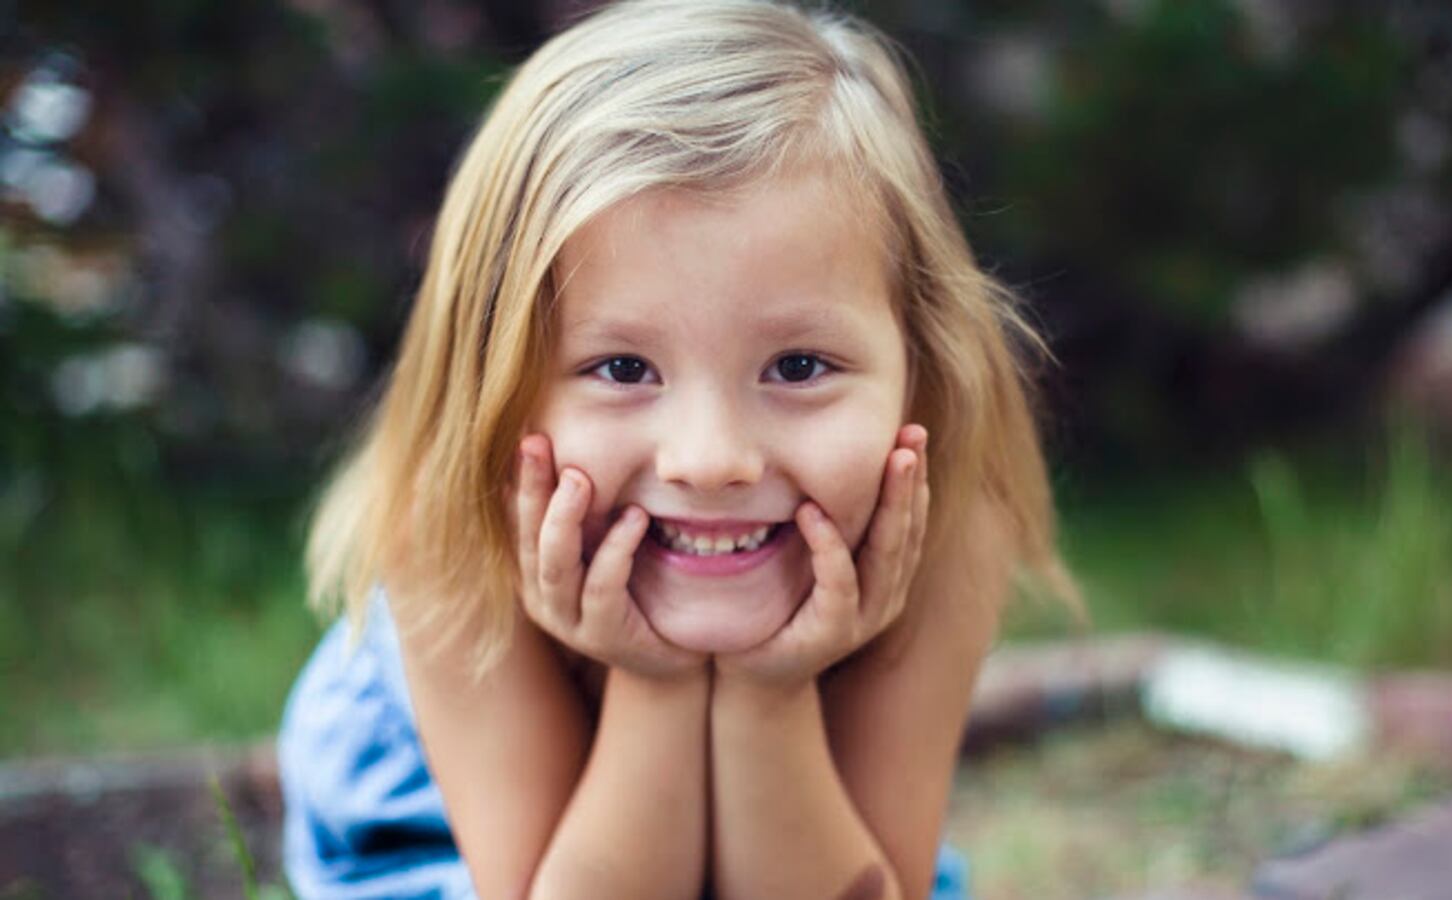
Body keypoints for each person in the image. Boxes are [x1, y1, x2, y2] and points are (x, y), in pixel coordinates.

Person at [276, 1, 1076, 897]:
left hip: (794, 828)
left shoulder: (946, 521)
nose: (710, 459)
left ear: (921, 363)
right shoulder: (450, 526)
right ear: (492, 384)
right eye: (623, 367)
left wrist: (770, 695)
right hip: (464, 846)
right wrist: (652, 683)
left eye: (798, 366)